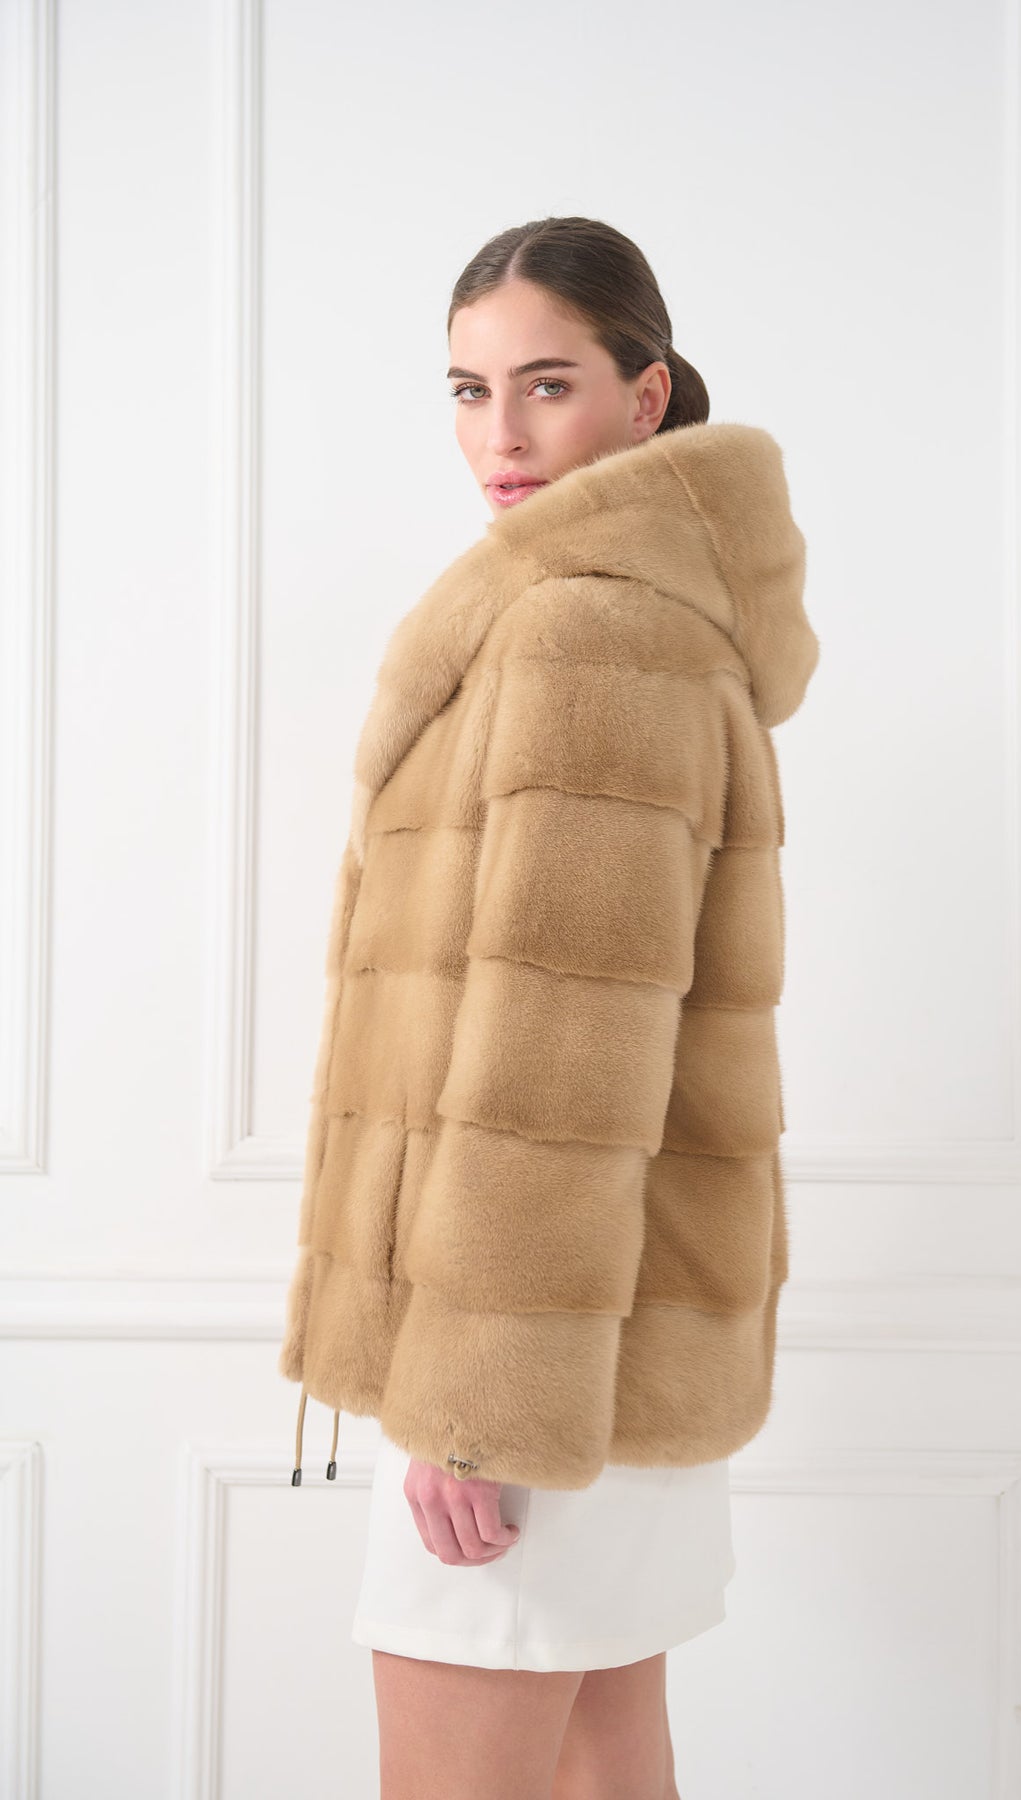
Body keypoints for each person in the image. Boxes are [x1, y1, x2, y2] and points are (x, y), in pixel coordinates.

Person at [278, 214, 820, 1800]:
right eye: (469, 390)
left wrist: (478, 1411)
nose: (500, 436)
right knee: (603, 1766)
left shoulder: (591, 630)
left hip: (528, 1372)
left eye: (548, 384)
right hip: (607, 1346)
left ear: (646, 396)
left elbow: (558, 1062)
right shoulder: (635, 614)